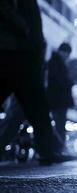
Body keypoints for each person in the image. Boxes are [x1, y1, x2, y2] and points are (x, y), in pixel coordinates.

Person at [0, 0, 66, 164]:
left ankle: (47, 151)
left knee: (38, 109)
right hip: (16, 51)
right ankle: (47, 151)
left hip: (22, 52)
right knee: (37, 108)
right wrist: (25, 28)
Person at [47, 42, 74, 153]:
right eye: (68, 54)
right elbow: (60, 82)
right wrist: (69, 83)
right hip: (58, 100)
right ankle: (58, 149)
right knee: (59, 125)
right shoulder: (56, 63)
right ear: (63, 52)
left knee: (59, 125)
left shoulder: (55, 62)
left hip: (57, 100)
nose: (68, 57)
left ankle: (58, 149)